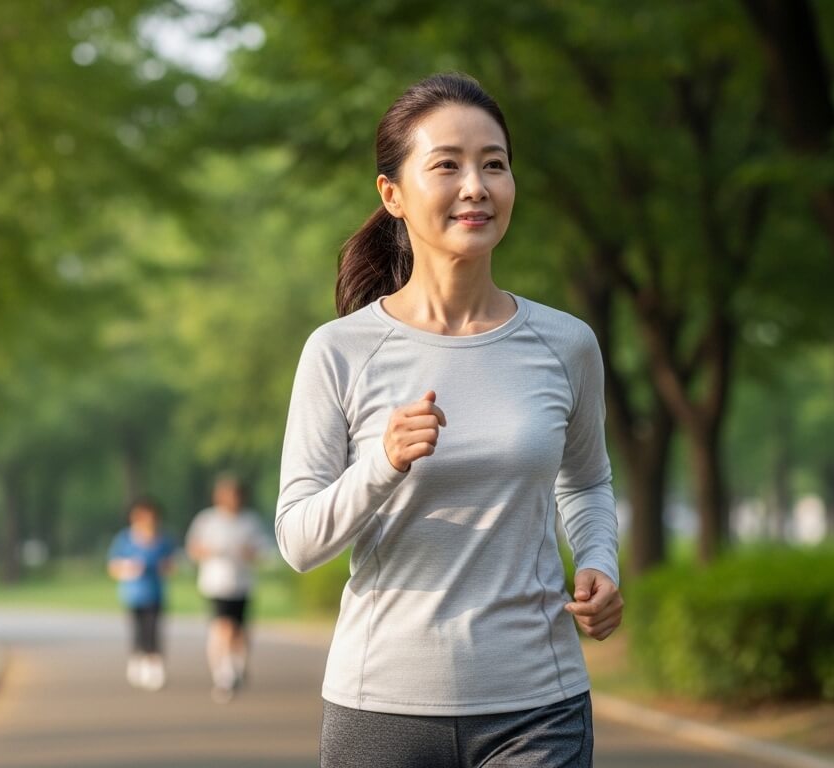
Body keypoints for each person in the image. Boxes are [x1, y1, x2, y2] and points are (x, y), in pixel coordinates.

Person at [276, 73, 623, 767]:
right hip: (381, 708)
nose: (476, 185)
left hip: (538, 703)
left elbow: (584, 482)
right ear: (393, 195)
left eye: (494, 164)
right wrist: (382, 463)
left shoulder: (566, 344)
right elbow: (299, 541)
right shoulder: (339, 351)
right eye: (448, 165)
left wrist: (598, 561)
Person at [186, 474, 273, 703]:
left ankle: (237, 665)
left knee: (240, 632)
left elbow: (261, 551)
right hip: (216, 584)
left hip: (242, 583)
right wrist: (211, 551)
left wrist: (249, 553)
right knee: (222, 627)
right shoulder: (207, 520)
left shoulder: (249, 521)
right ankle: (223, 674)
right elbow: (193, 549)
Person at [107, 497, 177, 691]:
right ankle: (137, 659)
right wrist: (129, 568)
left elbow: (172, 565)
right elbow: (113, 566)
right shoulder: (124, 539)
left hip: (155, 594)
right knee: (138, 630)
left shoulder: (163, 540)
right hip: (133, 594)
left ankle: (154, 666)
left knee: (153, 630)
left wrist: (164, 567)